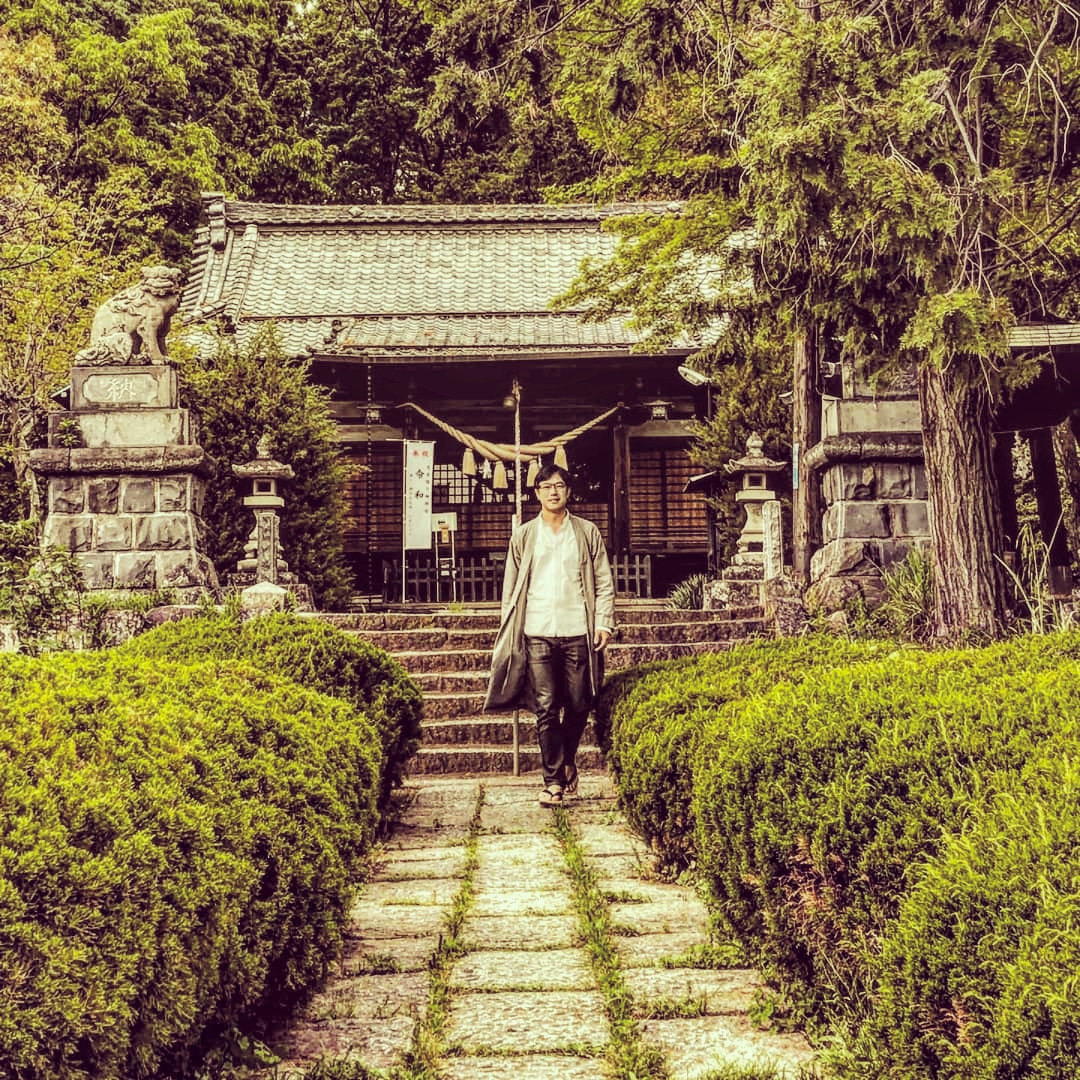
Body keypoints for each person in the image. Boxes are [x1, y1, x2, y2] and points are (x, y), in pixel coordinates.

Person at [484, 463, 616, 806]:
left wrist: (604, 622)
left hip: (577, 628)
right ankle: (553, 782)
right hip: (537, 629)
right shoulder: (525, 535)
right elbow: (511, 588)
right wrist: (509, 628)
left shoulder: (586, 532)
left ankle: (567, 761)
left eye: (559, 486)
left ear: (568, 491)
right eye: (546, 487)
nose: (553, 492)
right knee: (545, 706)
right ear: (537, 493)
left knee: (577, 703)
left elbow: (603, 580)